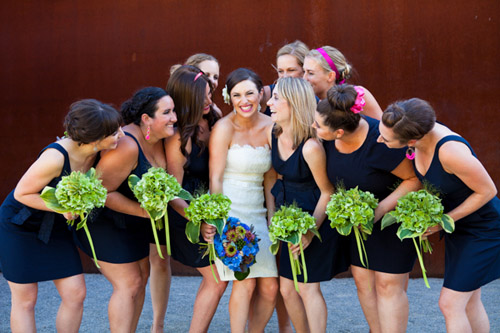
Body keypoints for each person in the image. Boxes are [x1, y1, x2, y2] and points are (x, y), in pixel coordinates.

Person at [0, 99, 123, 332]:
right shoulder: (55, 158)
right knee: (26, 299)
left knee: (76, 294)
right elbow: (22, 193)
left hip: (55, 228)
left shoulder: (99, 152)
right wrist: (62, 209)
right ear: (94, 139)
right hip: (19, 227)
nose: (121, 134)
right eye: (114, 132)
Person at [379, 98, 500, 332]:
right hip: (460, 229)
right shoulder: (419, 129)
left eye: (385, 138)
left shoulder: (450, 152)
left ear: (412, 140)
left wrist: (444, 222)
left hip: (484, 229)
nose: (379, 139)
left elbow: (488, 191)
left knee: (450, 304)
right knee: (469, 301)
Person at [313, 84, 420, 332]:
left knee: (387, 285)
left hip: (390, 220)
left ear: (339, 132)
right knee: (363, 283)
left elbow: (413, 180)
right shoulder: (327, 139)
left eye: (318, 126)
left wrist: (380, 210)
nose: (314, 128)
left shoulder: (379, 142)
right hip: (358, 223)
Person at [76, 87, 177, 332]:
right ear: (146, 119)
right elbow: (99, 192)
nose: (174, 117)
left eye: (174, 111)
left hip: (131, 222)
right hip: (103, 222)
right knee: (129, 284)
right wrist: (144, 212)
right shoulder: (127, 145)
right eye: (167, 112)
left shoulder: (159, 140)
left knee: (141, 278)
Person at [267, 77, 347, 333]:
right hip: (288, 217)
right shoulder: (275, 132)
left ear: (294, 103)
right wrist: (274, 219)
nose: (269, 102)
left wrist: (310, 230)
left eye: (276, 97)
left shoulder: (311, 146)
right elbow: (277, 178)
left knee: (307, 287)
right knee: (287, 288)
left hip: (313, 218)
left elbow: (327, 192)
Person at [207, 68, 278, 333]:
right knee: (245, 281)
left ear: (261, 93)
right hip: (231, 214)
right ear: (229, 98)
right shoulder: (223, 128)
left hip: (258, 212)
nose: (244, 100)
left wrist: (272, 219)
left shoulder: (271, 126)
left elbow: (270, 177)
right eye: (237, 95)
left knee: (271, 287)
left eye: (249, 93)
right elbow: (214, 179)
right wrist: (217, 221)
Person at [161, 67, 225, 332]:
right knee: (217, 279)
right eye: (203, 98)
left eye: (210, 95)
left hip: (212, 207)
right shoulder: (178, 136)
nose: (210, 102)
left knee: (222, 277)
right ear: (187, 99)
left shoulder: (213, 118)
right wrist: (198, 221)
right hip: (185, 215)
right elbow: (174, 192)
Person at [303, 46, 382, 119]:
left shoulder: (357, 96)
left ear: (330, 76)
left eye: (310, 73)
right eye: (304, 71)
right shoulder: (308, 100)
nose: (304, 78)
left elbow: (383, 129)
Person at [261, 40, 310, 116]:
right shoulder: (266, 95)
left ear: (305, 70)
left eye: (291, 70)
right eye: (280, 71)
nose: (285, 76)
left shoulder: (313, 96)